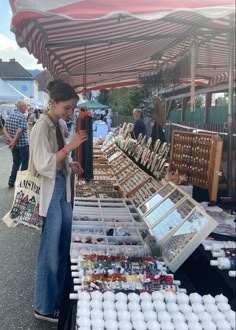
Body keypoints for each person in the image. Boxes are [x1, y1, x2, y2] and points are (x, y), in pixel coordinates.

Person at [30, 80, 88, 323]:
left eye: (72, 108)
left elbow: (57, 159)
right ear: (52, 103)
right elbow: (43, 163)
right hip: (50, 192)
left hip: (60, 188)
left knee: (62, 246)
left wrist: (69, 163)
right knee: (50, 251)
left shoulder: (56, 124)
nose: (70, 113)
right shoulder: (42, 126)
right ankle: (43, 306)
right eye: (67, 108)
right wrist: (70, 148)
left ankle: (56, 299)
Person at [2, 100, 29, 188]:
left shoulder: (10, 116)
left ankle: (11, 180)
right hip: (23, 144)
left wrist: (11, 140)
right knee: (25, 163)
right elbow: (20, 130)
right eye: (26, 106)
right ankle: (22, 182)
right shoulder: (22, 117)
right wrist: (14, 140)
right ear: (21, 107)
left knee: (16, 162)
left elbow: (4, 129)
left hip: (13, 145)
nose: (27, 108)